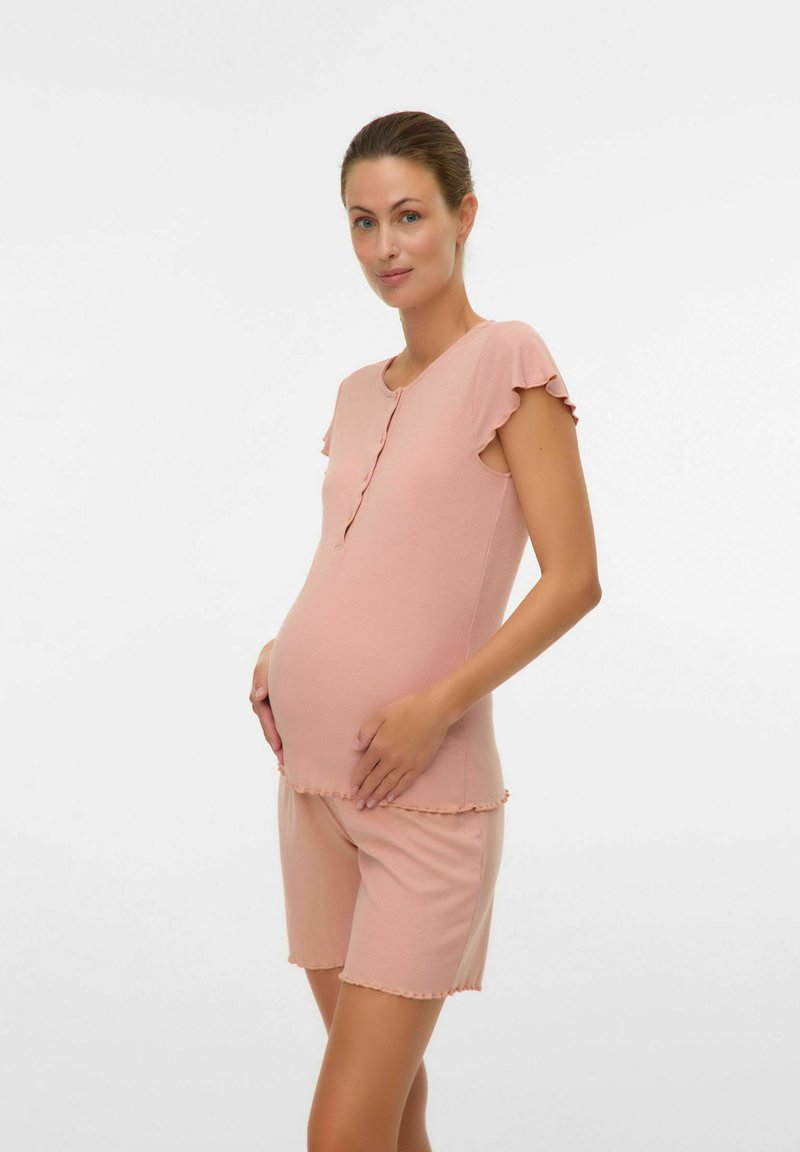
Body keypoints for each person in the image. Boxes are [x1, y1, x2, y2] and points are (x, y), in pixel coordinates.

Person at [250, 110, 601, 1152]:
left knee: (340, 1134)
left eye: (408, 216)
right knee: (391, 1115)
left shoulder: (508, 361)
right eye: (362, 222)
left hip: (423, 797)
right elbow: (351, 555)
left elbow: (574, 581)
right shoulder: (357, 394)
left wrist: (436, 707)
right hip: (312, 787)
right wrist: (281, 652)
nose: (384, 246)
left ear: (463, 216)